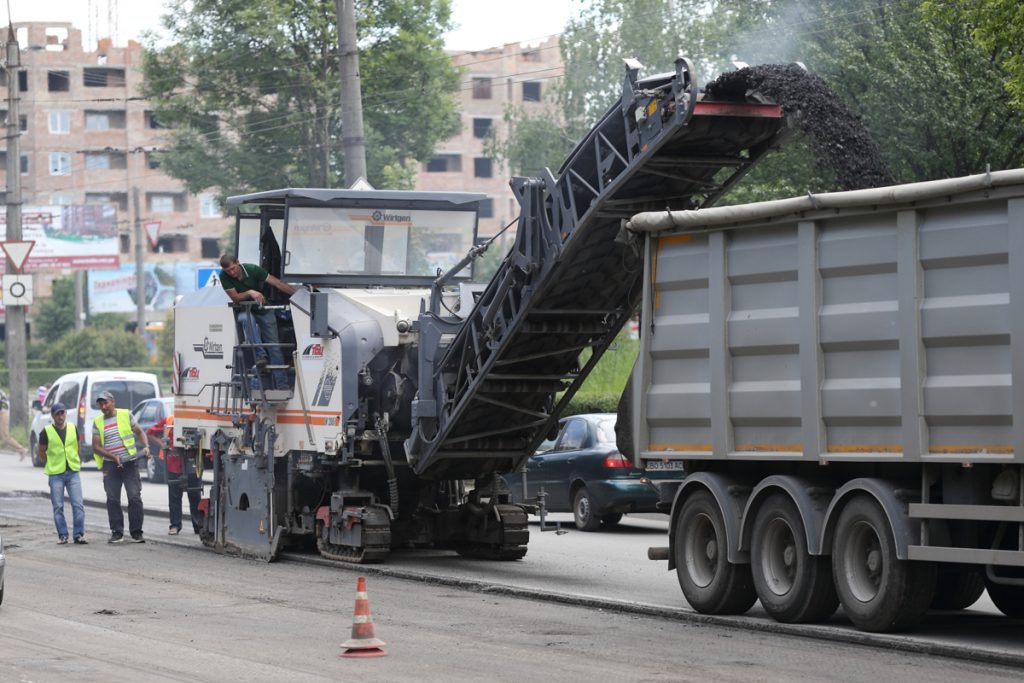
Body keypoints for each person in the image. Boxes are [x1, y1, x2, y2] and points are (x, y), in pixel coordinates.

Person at [219, 254, 297, 390]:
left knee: (274, 348)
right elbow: (235, 297)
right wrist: (250, 292)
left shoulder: (253, 269)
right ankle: (261, 355)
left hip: (264, 309)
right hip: (246, 310)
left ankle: (282, 386)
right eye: (228, 271)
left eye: (233, 268)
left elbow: (277, 283)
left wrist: (299, 295)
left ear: (238, 262)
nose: (231, 273)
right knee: (245, 318)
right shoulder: (223, 276)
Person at [91, 390, 150, 544]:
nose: (103, 407)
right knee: (112, 499)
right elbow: (96, 447)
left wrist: (146, 447)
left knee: (134, 497)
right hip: (110, 466)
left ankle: (136, 532)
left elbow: (140, 432)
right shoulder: (98, 422)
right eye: (100, 404)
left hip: (129, 463)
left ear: (113, 402)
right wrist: (113, 457)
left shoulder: (125, 414)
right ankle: (117, 532)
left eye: (106, 403)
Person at [38, 402, 87, 545]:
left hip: (72, 471)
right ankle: (63, 535)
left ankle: (78, 534)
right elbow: (41, 452)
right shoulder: (46, 432)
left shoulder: (73, 427)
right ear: (52, 416)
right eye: (57, 414)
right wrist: (52, 462)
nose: (60, 416)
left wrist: (75, 459)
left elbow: (77, 446)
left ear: (65, 413)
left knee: (78, 504)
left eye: (62, 413)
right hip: (56, 474)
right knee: (58, 506)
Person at [149, 415, 202, 535]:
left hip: (192, 464)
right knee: (174, 497)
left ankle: (198, 525)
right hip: (174, 464)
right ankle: (175, 525)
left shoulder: (197, 419)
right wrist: (162, 444)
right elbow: (150, 432)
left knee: (195, 496)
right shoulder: (169, 420)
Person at [0, 388, 29, 461]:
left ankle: (22, 450)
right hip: (3, 411)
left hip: (3, 413)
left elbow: (4, 405)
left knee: (5, 436)